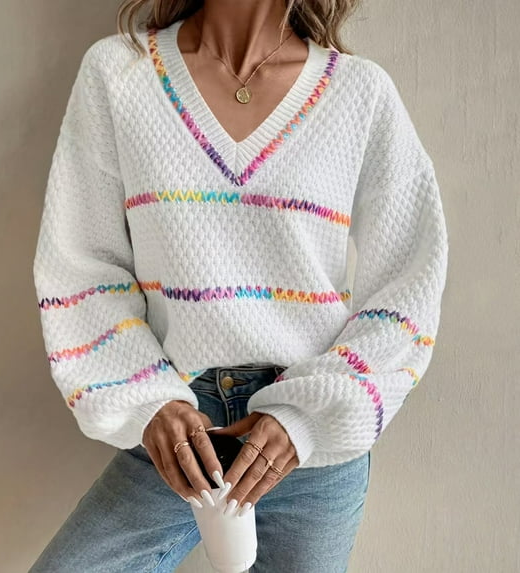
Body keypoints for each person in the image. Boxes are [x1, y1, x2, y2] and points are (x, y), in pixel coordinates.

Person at [29, 0, 449, 571]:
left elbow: (408, 283)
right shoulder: (120, 73)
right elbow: (81, 266)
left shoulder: (360, 92)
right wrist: (150, 402)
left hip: (311, 436)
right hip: (175, 428)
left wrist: (306, 419)